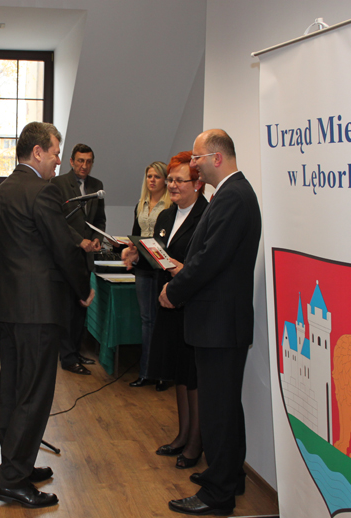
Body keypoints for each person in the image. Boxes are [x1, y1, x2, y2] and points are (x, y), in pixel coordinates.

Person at [0, 122, 94, 508]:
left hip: (7, 306)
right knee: (34, 393)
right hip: (37, 309)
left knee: (13, 389)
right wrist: (82, 288)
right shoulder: (43, 191)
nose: (58, 161)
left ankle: (18, 462)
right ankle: (12, 480)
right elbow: (64, 248)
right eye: (55, 152)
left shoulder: (0, 192)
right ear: (37, 152)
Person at [159, 130, 261, 515]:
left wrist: (175, 291)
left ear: (217, 158)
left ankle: (218, 494)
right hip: (219, 322)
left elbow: (208, 260)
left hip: (219, 324)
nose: (193, 164)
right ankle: (229, 475)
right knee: (225, 406)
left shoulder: (233, 197)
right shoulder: (231, 194)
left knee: (218, 410)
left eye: (197, 158)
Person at [125, 152, 208, 469]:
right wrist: (137, 254)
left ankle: (195, 444)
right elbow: (158, 258)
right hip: (169, 303)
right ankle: (182, 436)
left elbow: (201, 266)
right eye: (170, 179)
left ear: (197, 184)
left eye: (178, 180)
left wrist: (176, 271)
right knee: (179, 374)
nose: (172, 185)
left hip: (193, 306)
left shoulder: (206, 216)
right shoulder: (165, 217)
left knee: (193, 376)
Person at [50, 143, 104, 375]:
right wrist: (79, 240)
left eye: (88, 161)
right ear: (71, 161)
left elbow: (99, 219)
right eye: (80, 161)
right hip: (66, 256)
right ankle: (67, 358)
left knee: (81, 307)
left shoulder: (97, 186)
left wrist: (96, 239)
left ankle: (76, 351)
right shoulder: (58, 184)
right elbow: (57, 221)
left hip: (86, 257)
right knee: (66, 309)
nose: (84, 165)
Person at [126, 161, 171, 390]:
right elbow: (135, 235)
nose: (152, 180)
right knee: (146, 321)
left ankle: (163, 373)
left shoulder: (171, 205)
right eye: (149, 176)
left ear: (165, 180)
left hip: (162, 269)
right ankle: (146, 372)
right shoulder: (140, 204)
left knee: (162, 322)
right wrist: (129, 251)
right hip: (143, 268)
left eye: (157, 177)